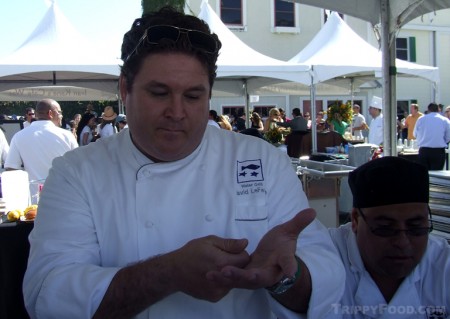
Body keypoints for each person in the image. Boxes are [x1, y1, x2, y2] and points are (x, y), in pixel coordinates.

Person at [23, 7, 344, 319]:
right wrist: (168, 273)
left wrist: (285, 276)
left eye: (192, 96)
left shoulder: (260, 160)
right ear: (124, 88)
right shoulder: (76, 173)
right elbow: (50, 296)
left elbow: (327, 279)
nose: (176, 112)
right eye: (159, 93)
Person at [328, 156, 449, 318]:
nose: (402, 243)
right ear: (356, 219)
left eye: (416, 228)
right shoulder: (326, 254)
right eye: (385, 228)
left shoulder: (443, 265)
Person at [4, 99, 78, 188]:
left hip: (33, 197)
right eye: (59, 112)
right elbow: (78, 167)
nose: (61, 116)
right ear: (50, 113)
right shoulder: (67, 136)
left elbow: (11, 169)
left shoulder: (18, 136)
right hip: (63, 194)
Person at [414, 102, 450, 170]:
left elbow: (415, 134)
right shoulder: (445, 120)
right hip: (438, 151)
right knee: (437, 175)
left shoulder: (421, 119)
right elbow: (448, 137)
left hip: (424, 150)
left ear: (428, 109)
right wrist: (441, 141)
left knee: (423, 174)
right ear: (438, 109)